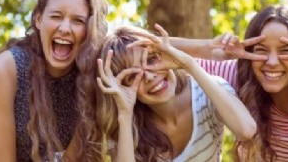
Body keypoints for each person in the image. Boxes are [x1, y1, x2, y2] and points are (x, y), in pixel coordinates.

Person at [172, 5, 288, 161]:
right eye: (261, 50)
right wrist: (206, 47)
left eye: (286, 51)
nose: (272, 61)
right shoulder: (239, 77)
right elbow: (148, 46)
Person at [0, 0, 108, 161]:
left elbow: (148, 48)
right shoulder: (5, 70)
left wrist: (163, 46)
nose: (65, 28)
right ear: (38, 20)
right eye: (56, 16)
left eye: (78, 21)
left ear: (89, 30)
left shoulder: (92, 74)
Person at [94, 24, 257, 162]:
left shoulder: (206, 92)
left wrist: (189, 64)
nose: (149, 76)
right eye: (132, 76)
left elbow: (246, 130)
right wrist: (125, 113)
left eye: (151, 60)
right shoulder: (125, 124)